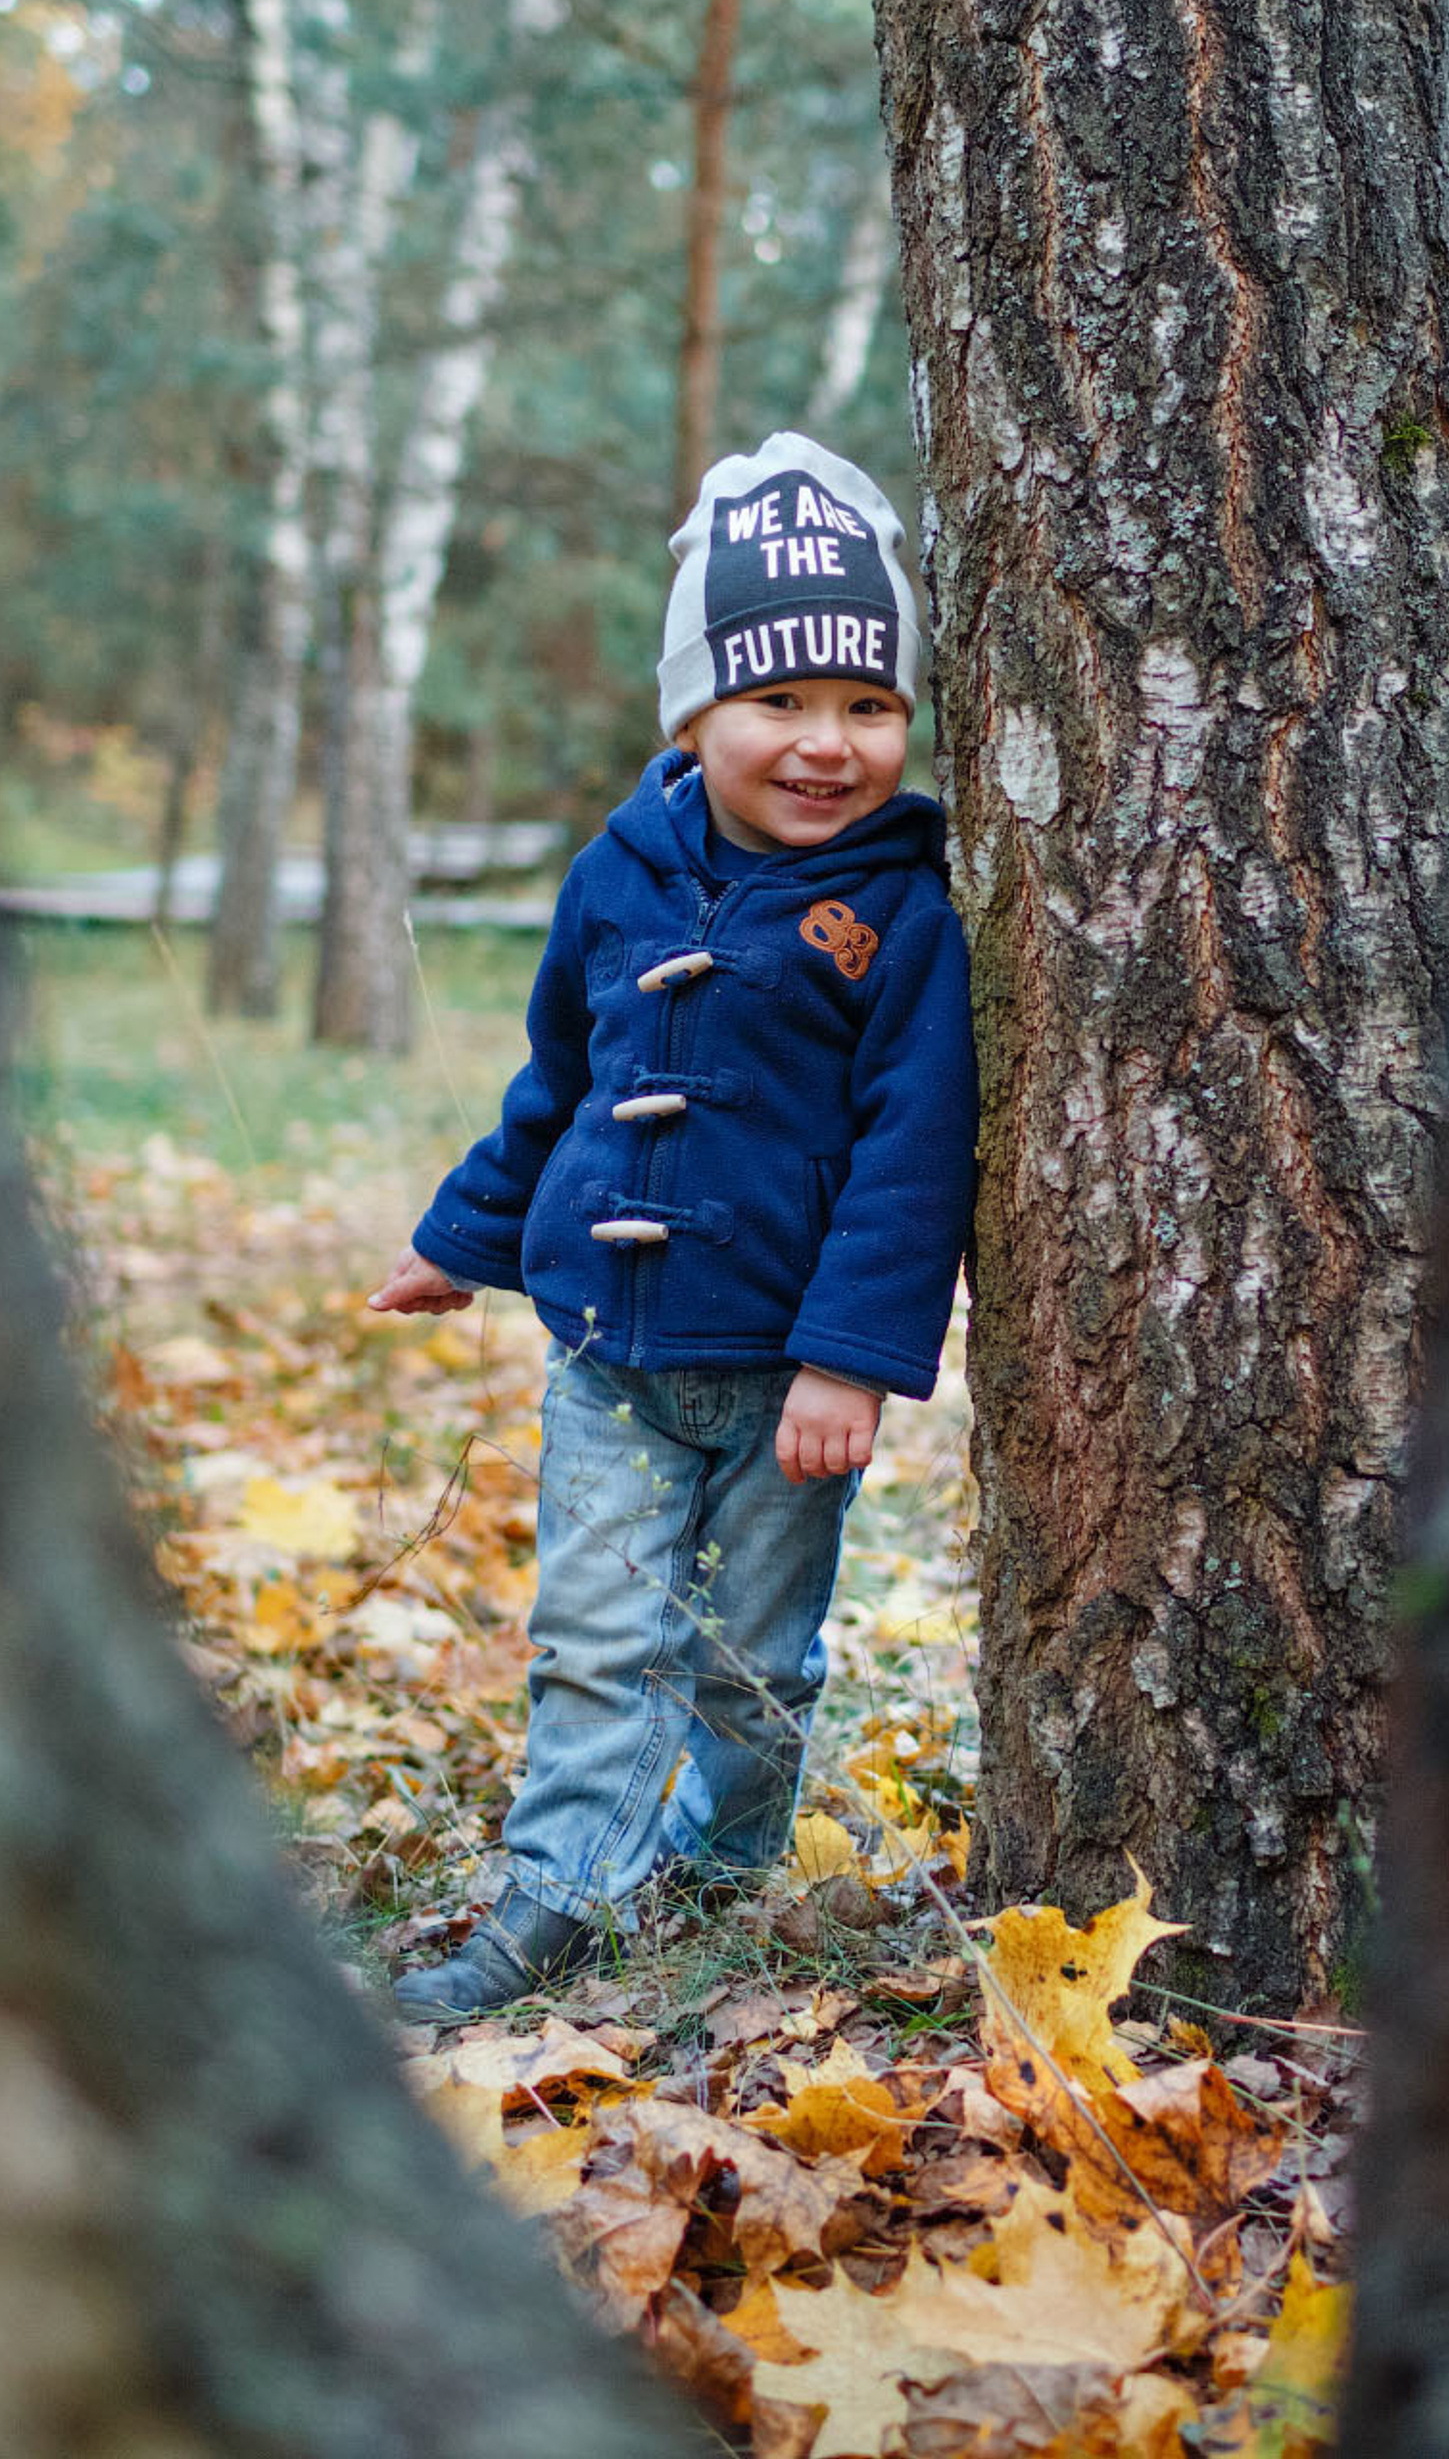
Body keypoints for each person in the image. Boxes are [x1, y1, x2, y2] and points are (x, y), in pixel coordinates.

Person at [366, 431, 976, 2022]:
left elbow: (916, 1152)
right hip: (610, 1356)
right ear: (694, 712)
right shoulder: (616, 876)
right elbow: (563, 1079)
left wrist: (851, 1361)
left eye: (869, 706)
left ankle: (720, 1878)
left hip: (787, 1379)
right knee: (595, 1635)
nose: (827, 744)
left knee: (755, 1662)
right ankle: (557, 1904)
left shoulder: (905, 913)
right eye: (779, 700)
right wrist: (464, 1236)